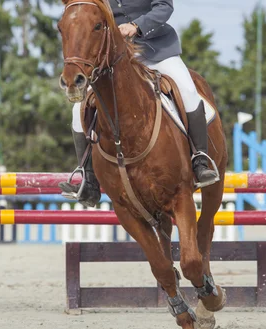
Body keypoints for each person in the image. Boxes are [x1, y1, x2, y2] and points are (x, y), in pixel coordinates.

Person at [59, 0, 219, 207]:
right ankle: (88, 178)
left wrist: (136, 26)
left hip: (157, 51)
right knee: (77, 111)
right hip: (115, 59)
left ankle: (200, 159)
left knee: (188, 90)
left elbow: (164, 6)